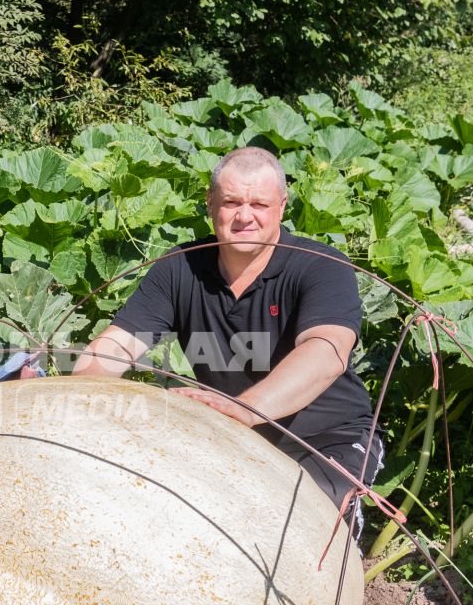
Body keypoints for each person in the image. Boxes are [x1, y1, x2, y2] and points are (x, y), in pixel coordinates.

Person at [60, 146, 382, 533]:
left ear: (282, 206)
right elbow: (117, 346)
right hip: (226, 434)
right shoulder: (179, 269)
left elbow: (326, 353)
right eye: (231, 202)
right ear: (210, 205)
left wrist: (246, 409)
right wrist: (73, 396)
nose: (245, 216)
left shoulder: (319, 267)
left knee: (304, 529)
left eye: (259, 204)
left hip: (326, 439)